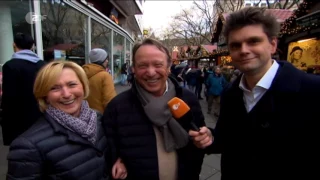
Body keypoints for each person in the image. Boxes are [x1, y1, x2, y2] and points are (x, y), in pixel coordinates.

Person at [189, 7, 320, 180]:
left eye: (253, 41)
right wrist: (210, 137)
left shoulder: (312, 91)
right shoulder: (231, 93)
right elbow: (227, 139)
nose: (244, 50)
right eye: (235, 45)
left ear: (272, 45)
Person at [103, 38, 206, 180]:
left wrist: (207, 137)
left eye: (158, 64)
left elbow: (201, 137)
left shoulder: (188, 99)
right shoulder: (117, 107)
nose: (151, 72)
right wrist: (116, 160)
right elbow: (108, 148)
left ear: (169, 67)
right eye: (143, 66)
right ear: (134, 69)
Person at [6, 61, 127, 180]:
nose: (66, 94)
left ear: (83, 87)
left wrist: (120, 160)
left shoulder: (97, 118)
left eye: (72, 85)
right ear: (44, 95)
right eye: (55, 88)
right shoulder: (27, 146)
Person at [1, 33, 45, 145]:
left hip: (18, 118)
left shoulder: (10, 66)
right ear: (32, 46)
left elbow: (8, 98)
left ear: (14, 45)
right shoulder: (42, 65)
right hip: (40, 115)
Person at [83, 48, 116, 113]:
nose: (107, 61)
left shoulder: (82, 73)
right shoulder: (105, 76)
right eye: (106, 59)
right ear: (101, 61)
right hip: (100, 115)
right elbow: (110, 101)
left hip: (85, 114)